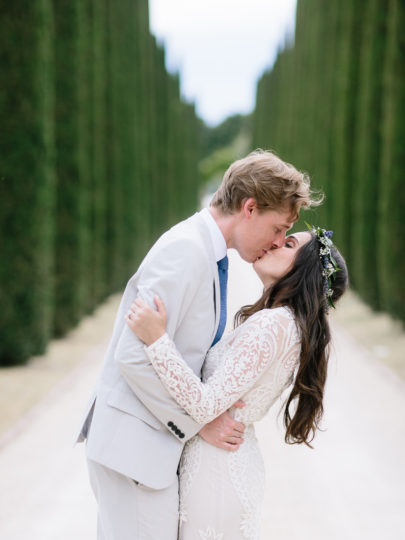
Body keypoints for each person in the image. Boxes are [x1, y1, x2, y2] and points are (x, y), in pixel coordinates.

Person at [76, 150, 320, 539]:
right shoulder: (185, 250)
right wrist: (199, 422)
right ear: (250, 208)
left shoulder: (208, 254)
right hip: (134, 450)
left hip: (149, 451)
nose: (277, 242)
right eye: (278, 229)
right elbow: (133, 354)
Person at [126, 226, 348, 539]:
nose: (272, 244)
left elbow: (205, 404)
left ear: (305, 270)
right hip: (222, 464)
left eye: (287, 243)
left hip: (217, 474)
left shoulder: (274, 324)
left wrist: (157, 340)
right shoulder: (286, 323)